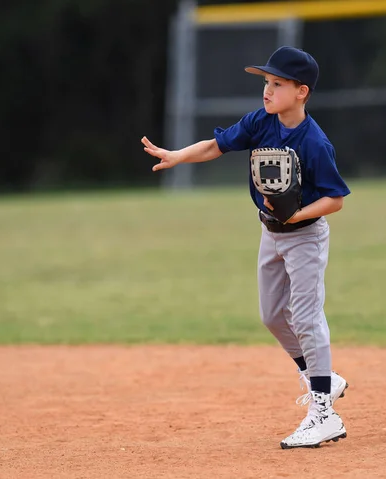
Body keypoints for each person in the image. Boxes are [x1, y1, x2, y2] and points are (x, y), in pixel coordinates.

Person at [141, 46, 350, 449]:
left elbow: (336, 198)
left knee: (307, 317)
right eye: (265, 83)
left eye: (277, 84)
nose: (266, 91)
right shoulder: (261, 122)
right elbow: (216, 146)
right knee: (272, 315)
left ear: (301, 91)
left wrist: (296, 215)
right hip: (270, 233)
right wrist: (176, 156)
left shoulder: (315, 143)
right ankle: (323, 376)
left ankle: (324, 413)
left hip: (304, 236)